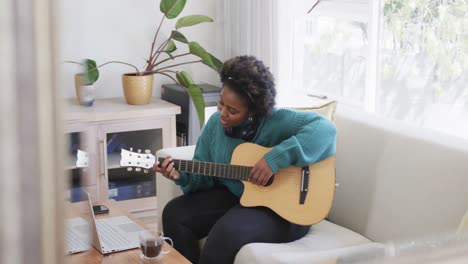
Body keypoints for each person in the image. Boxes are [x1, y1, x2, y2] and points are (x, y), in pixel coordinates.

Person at [153, 55, 336, 264]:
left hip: (287, 211)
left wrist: (275, 159)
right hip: (240, 197)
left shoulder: (276, 121)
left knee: (223, 236)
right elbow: (203, 179)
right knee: (174, 214)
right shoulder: (215, 125)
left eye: (233, 111)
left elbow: (325, 130)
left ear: (253, 112)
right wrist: (180, 175)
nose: (222, 113)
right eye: (221, 104)